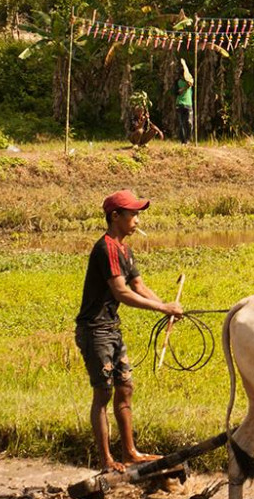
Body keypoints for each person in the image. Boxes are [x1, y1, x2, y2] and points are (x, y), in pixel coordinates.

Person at [76, 190, 184, 472]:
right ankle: (106, 461)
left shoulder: (124, 249)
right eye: (133, 214)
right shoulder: (107, 248)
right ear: (115, 216)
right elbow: (121, 292)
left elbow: (138, 285)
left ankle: (130, 452)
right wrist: (162, 309)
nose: (137, 219)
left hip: (111, 328)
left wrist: (167, 306)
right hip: (95, 330)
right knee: (103, 394)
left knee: (125, 388)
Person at [171, 62, 194, 143]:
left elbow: (192, 82)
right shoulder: (177, 82)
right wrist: (185, 87)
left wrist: (189, 84)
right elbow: (176, 92)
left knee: (189, 123)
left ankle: (188, 139)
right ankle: (183, 141)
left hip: (189, 104)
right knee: (180, 124)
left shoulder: (190, 81)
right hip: (180, 104)